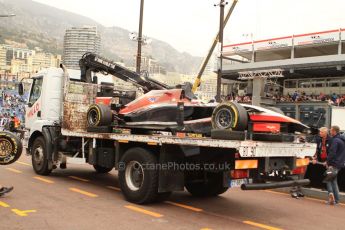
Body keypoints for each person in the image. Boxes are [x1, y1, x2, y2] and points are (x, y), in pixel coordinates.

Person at [325, 126, 345, 205]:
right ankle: (336, 200)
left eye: (331, 130)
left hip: (333, 164)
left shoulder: (335, 140)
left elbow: (332, 153)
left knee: (328, 179)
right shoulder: (342, 140)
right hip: (340, 164)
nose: (330, 132)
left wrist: (328, 162)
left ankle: (331, 196)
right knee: (333, 181)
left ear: (334, 131)